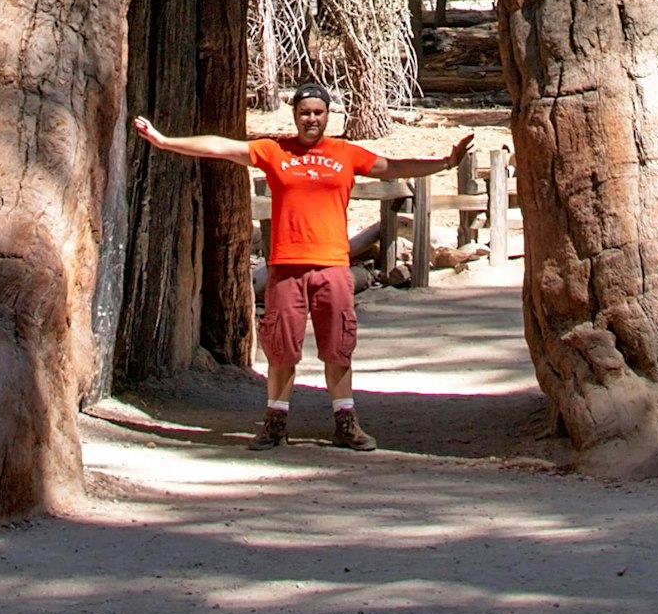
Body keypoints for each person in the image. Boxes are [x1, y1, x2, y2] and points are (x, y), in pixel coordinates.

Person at [135, 88, 469, 448]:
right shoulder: (274, 151)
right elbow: (221, 146)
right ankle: (275, 422)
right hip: (286, 266)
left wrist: (446, 163)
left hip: (333, 266)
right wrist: (166, 142)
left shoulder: (345, 154)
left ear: (329, 115)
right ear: (294, 115)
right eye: (305, 112)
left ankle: (346, 422)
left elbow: (394, 166)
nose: (312, 118)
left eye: (319, 112)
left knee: (338, 347)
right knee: (281, 348)